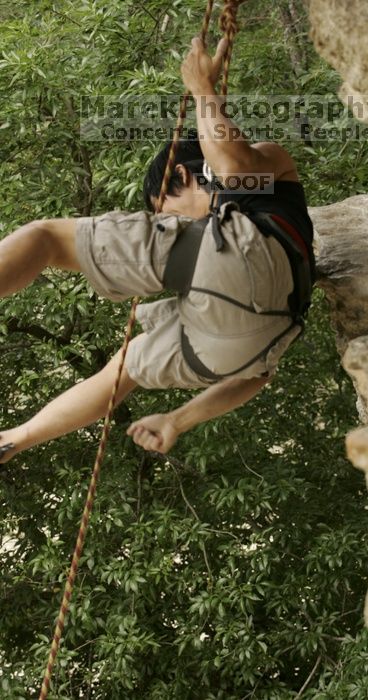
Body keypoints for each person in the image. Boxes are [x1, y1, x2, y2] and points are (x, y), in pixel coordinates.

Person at [0, 37, 315, 463]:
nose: (170, 224)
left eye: (164, 210)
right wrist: (178, 420)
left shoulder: (268, 168)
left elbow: (234, 171)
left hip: (244, 262)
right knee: (124, 367)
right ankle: (15, 439)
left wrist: (204, 89)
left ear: (183, 175)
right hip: (243, 346)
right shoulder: (276, 218)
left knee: (47, 238)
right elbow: (255, 376)